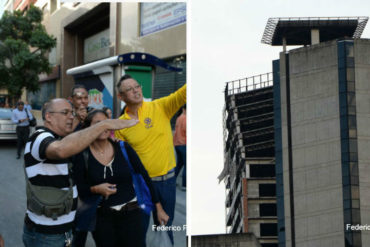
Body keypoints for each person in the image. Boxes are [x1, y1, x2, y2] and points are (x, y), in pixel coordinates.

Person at [22, 98, 138, 247]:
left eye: (72, 112)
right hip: (46, 235)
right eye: (65, 113)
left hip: (62, 230)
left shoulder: (61, 139)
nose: (71, 116)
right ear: (48, 116)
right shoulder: (40, 137)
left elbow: (75, 143)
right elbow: (60, 150)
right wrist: (104, 124)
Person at [73, 110, 169, 247]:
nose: (104, 127)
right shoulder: (82, 154)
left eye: (107, 123)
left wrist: (159, 208)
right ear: (89, 128)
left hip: (132, 213)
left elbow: (144, 176)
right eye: (98, 124)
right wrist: (95, 189)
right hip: (102, 218)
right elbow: (78, 188)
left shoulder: (123, 147)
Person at [115, 74, 186, 245]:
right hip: (140, 186)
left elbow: (181, 94)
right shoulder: (119, 124)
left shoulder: (159, 107)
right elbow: (120, 158)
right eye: (129, 89)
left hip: (167, 182)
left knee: (165, 228)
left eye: (137, 87)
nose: (135, 91)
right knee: (138, 231)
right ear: (121, 96)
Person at [173, 105, 186, 189]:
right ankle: (185, 185)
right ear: (184, 109)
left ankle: (172, 181)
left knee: (179, 164)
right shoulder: (185, 118)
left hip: (177, 144)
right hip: (184, 143)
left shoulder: (178, 118)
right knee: (186, 165)